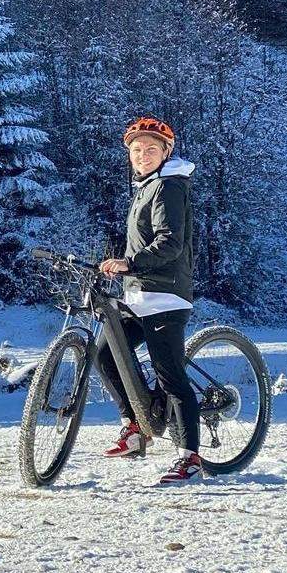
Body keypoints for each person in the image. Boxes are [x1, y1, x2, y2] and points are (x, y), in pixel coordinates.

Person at [97, 116, 203, 486]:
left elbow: (170, 242)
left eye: (152, 149)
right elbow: (139, 242)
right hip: (141, 294)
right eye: (137, 150)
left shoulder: (169, 186)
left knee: (169, 374)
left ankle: (189, 456)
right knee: (106, 354)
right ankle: (136, 427)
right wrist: (115, 262)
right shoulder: (146, 187)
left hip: (166, 295)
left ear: (166, 152)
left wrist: (130, 263)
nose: (143, 154)